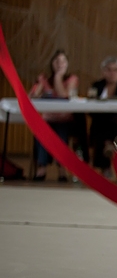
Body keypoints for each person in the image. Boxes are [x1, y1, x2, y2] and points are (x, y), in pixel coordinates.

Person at [29, 49, 82, 181]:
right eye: (57, 61)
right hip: (48, 119)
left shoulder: (72, 79)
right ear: (51, 63)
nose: (60, 64)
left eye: (63, 61)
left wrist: (58, 76)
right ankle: (41, 169)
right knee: (41, 133)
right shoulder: (45, 79)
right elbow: (31, 97)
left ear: (67, 64)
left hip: (65, 120)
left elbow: (64, 95)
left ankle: (61, 169)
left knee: (61, 135)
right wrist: (39, 85)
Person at [88, 56, 117, 176]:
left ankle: (108, 152)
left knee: (109, 122)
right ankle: (107, 151)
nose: (112, 73)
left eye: (115, 70)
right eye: (109, 70)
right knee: (100, 123)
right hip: (100, 122)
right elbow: (90, 107)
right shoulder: (97, 86)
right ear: (103, 71)